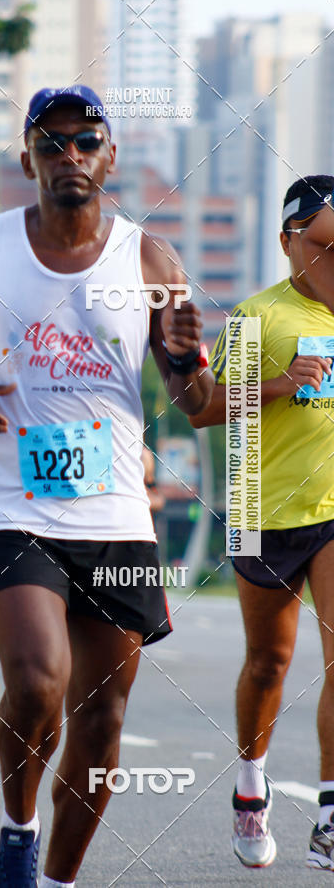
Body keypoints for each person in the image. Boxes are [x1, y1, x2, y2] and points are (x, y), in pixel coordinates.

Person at [0, 84, 213, 888]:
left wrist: (188, 355)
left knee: (103, 717)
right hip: (9, 503)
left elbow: (196, 405)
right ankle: (18, 829)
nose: (68, 156)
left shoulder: (151, 261)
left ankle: (58, 881)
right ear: (26, 160)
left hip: (114, 506)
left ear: (109, 157)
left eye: (86, 143)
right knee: (39, 678)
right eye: (52, 144)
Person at [190, 175, 334, 871]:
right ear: (288, 241)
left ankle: (330, 814)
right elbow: (206, 407)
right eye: (321, 239)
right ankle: (252, 783)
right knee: (269, 663)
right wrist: (283, 384)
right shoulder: (257, 317)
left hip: (332, 509)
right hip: (261, 510)